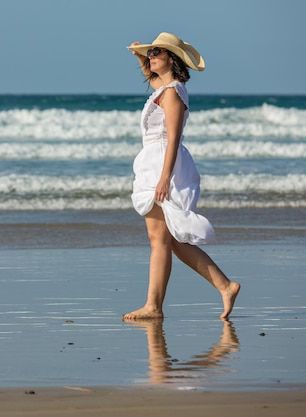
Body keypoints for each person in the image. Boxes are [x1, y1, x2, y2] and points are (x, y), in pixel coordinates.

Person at [123, 32, 240, 320]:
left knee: (160, 240)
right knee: (169, 240)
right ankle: (225, 286)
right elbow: (151, 77)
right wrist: (140, 54)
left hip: (164, 164)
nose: (152, 57)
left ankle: (154, 306)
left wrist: (164, 178)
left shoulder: (173, 93)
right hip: (155, 162)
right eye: (151, 54)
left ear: (171, 59)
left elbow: (173, 138)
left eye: (157, 53)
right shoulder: (164, 88)